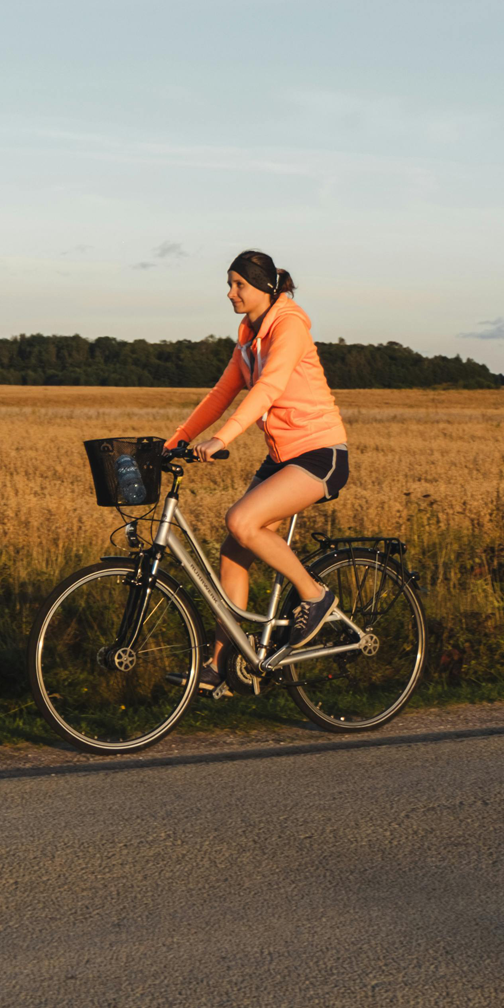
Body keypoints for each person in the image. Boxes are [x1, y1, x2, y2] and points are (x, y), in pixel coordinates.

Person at [165, 250, 350, 694]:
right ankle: (220, 667)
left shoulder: (288, 326)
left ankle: (315, 595)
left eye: (238, 285)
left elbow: (268, 387)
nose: (230, 293)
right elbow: (222, 391)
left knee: (241, 521)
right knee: (234, 548)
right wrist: (177, 439)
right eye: (229, 285)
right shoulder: (249, 334)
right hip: (282, 456)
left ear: (265, 287)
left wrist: (223, 439)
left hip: (319, 453)